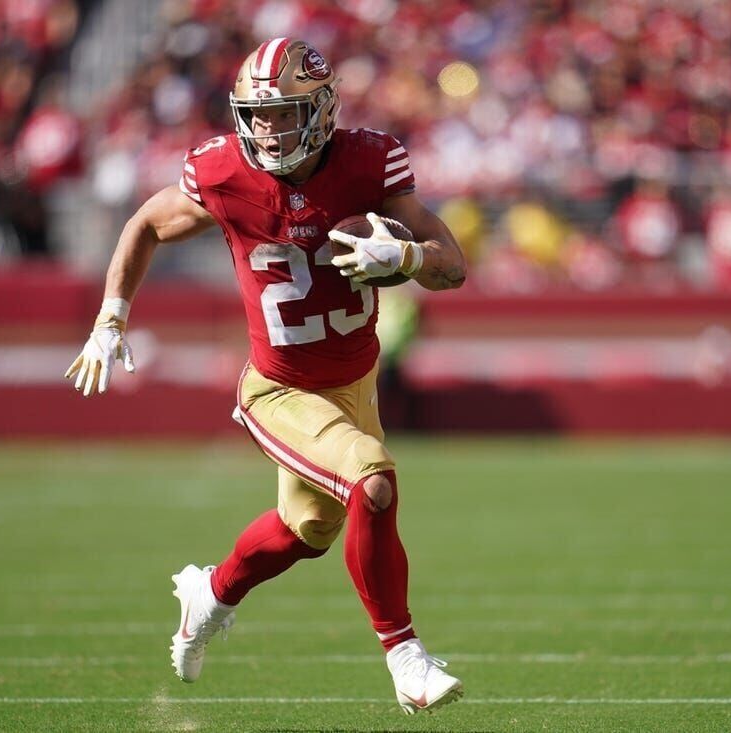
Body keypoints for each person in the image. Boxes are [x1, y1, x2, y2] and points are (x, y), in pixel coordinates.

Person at [64, 38, 467, 714]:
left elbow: (450, 264)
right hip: (279, 386)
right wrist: (112, 315)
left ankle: (211, 594)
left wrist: (403, 256)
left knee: (305, 529)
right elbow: (146, 224)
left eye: (283, 113)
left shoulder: (372, 162)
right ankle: (405, 655)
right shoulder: (223, 172)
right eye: (257, 114)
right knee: (372, 479)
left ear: (322, 109)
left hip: (354, 380)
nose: (267, 129)